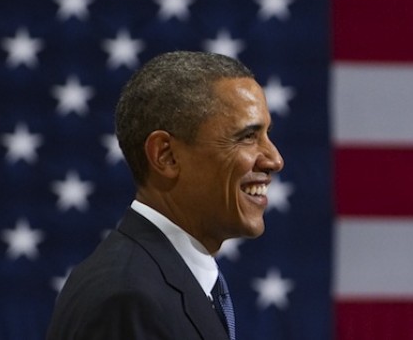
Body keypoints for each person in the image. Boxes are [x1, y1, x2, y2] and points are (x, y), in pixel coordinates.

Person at [46, 51, 284, 340]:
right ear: (166, 156)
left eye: (267, 134)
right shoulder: (128, 298)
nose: (274, 160)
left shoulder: (160, 281)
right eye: (247, 136)